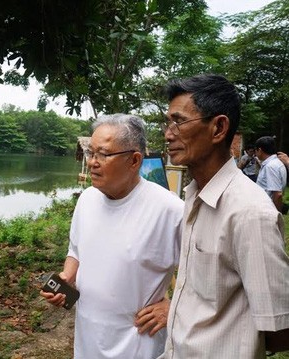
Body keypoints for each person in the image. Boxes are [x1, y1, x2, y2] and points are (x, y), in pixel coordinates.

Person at [160, 74, 289, 358]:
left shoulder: (249, 213)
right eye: (168, 123)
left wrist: (227, 340)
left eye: (179, 121)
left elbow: (280, 330)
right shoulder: (194, 195)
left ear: (218, 128)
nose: (168, 133)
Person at [41, 114, 184, 359]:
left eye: (103, 154)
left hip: (138, 345)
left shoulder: (170, 210)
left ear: (134, 160)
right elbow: (76, 250)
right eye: (91, 152)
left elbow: (207, 277)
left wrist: (175, 308)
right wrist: (66, 278)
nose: (93, 162)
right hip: (88, 341)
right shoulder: (87, 199)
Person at [255, 136, 287, 213]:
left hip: (267, 210)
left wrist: (276, 215)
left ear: (259, 150)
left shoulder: (271, 166)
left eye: (255, 151)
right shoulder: (276, 163)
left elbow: (277, 194)